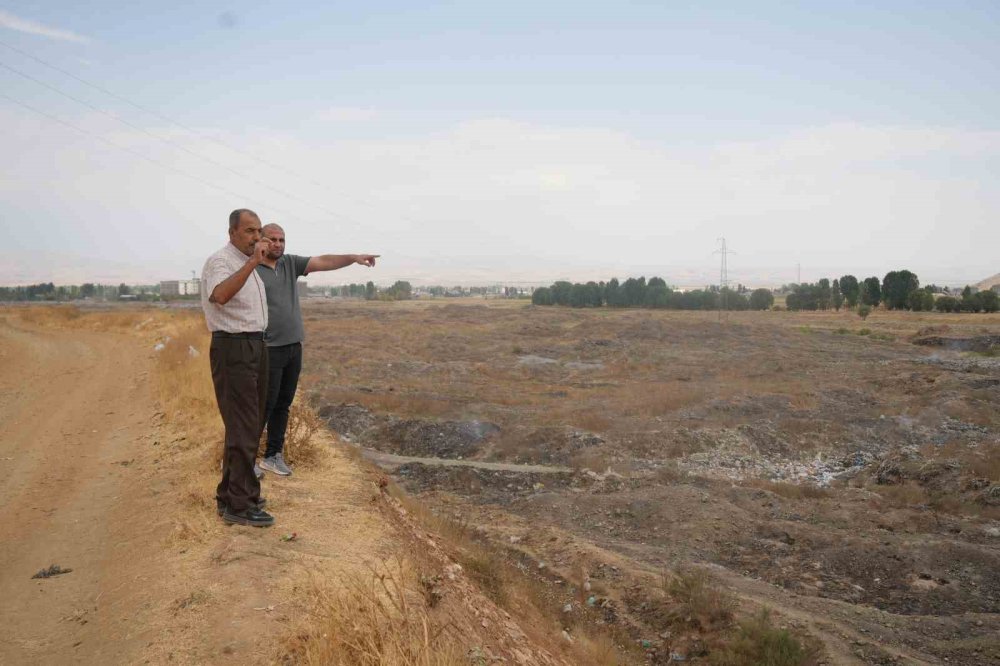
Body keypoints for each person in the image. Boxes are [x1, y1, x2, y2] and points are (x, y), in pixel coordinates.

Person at [254, 222, 378, 477]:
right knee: (264, 405)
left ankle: (273, 456)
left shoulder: (289, 263)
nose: (278, 244)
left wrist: (353, 258)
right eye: (272, 239)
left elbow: (323, 261)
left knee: (283, 404)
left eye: (282, 239)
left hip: (293, 346)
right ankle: (245, 458)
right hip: (269, 348)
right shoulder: (251, 269)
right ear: (261, 241)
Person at [200, 209, 275, 527]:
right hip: (234, 348)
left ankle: (230, 494)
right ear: (232, 232)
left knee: (249, 424)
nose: (256, 238)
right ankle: (241, 506)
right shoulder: (222, 261)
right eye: (249, 231)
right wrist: (252, 263)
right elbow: (219, 296)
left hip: (254, 346)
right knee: (243, 426)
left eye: (259, 231)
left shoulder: (247, 262)